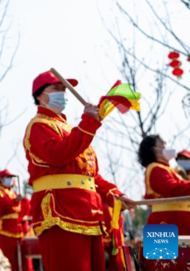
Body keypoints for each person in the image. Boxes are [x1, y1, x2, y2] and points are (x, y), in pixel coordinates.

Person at [23, 70, 134, 271]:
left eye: (64, 90)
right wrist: (88, 124)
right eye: (56, 88)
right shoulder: (39, 126)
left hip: (89, 212)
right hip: (61, 210)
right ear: (39, 95)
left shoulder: (71, 129)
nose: (62, 93)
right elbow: (58, 155)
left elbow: (91, 175)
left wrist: (114, 194)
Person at [139, 135, 190, 234]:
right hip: (165, 222)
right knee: (162, 250)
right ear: (154, 150)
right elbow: (172, 189)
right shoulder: (155, 169)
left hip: (176, 220)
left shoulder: (167, 169)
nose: (166, 147)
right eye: (162, 145)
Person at [0, 169, 33, 271]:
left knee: (19, 259)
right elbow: (1, 205)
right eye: (7, 178)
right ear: (1, 179)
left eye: (10, 178)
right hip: (6, 229)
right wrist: (14, 201)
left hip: (17, 228)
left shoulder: (13, 193)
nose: (10, 180)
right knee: (7, 257)